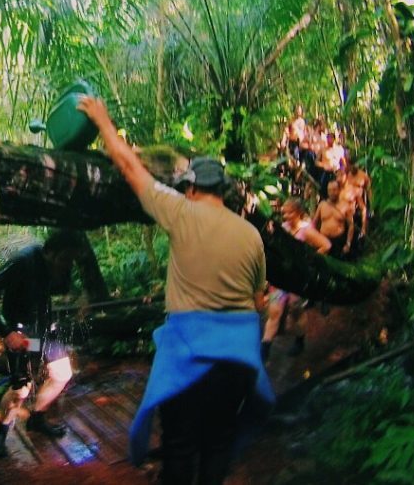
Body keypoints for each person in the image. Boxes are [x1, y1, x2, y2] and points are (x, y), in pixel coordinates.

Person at [78, 96, 273, 485]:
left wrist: (102, 120)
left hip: (189, 356)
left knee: (180, 445)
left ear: (191, 187)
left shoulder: (181, 213)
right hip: (236, 362)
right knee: (218, 442)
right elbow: (260, 304)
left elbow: (129, 167)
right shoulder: (252, 236)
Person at [0, 234, 75, 459]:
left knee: (62, 373)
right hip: (20, 332)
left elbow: (57, 291)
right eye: (64, 259)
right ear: (50, 252)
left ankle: (37, 419)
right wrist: (6, 332)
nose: (67, 264)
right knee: (21, 388)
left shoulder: (57, 267)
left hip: (43, 330)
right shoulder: (24, 261)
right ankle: (0, 432)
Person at [261, 196, 331, 359]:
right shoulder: (283, 228)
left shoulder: (306, 230)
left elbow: (326, 245)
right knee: (274, 312)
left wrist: (307, 261)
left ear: (298, 213)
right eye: (283, 213)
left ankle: (299, 340)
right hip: (281, 279)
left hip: (297, 280)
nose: (284, 216)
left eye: (289, 213)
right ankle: (265, 348)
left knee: (295, 311)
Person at [312, 180, 354, 260]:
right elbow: (315, 222)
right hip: (323, 239)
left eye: (334, 190)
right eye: (329, 190)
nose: (332, 192)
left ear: (339, 190)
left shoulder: (345, 206)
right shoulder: (322, 205)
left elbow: (351, 225)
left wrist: (348, 243)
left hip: (338, 241)